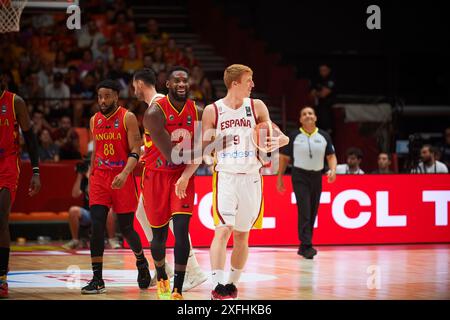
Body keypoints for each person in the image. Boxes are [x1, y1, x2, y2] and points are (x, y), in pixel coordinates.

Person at [177, 64, 289, 300]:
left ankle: (231, 285)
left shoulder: (256, 106)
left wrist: (281, 140)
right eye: (249, 80)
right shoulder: (212, 110)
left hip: (252, 178)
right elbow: (201, 148)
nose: (253, 84)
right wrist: (186, 176)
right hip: (225, 177)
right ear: (235, 83)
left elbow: (274, 133)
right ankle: (218, 285)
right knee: (223, 230)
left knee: (242, 235)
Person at [132, 68, 207, 292]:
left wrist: (205, 149)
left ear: (139, 84)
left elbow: (173, 152)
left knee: (176, 224)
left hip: (169, 172)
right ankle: (164, 268)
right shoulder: (157, 107)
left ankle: (189, 270)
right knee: (147, 218)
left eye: (133, 85)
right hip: (157, 173)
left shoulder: (160, 107)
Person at [81, 79, 151, 294]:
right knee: (97, 226)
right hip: (101, 178)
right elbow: (96, 152)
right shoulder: (94, 120)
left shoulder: (127, 117)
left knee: (127, 228)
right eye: (100, 96)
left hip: (123, 176)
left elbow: (136, 150)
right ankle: (97, 278)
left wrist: (124, 172)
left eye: (107, 96)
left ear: (116, 97)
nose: (102, 100)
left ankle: (141, 262)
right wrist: (90, 176)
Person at [0, 71, 41, 299]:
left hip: (7, 163)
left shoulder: (15, 102)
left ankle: (2, 278)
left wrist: (36, 171)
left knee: (1, 217)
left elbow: (30, 137)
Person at [278, 106, 337, 259]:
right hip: (299, 176)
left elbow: (331, 156)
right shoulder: (294, 136)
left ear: (315, 117)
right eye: (304, 114)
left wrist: (333, 170)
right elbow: (284, 158)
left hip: (317, 176)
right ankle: (307, 245)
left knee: (313, 210)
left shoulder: (324, 136)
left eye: (310, 113)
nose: (307, 116)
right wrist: (279, 178)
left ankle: (304, 245)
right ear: (300, 119)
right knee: (304, 209)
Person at [62, 157, 120, 250]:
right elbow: (75, 194)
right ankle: (75, 240)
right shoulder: (84, 180)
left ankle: (112, 240)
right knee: (73, 210)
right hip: (89, 212)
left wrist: (92, 177)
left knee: (109, 212)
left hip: (102, 210)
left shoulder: (102, 176)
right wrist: (80, 176)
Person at [310, 64, 336, 134]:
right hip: (318, 106)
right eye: (321, 70)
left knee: (324, 110)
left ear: (329, 70)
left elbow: (323, 94)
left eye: (324, 70)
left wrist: (317, 93)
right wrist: (318, 93)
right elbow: (312, 93)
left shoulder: (331, 79)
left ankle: (328, 130)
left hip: (329, 105)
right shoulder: (318, 79)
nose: (322, 72)